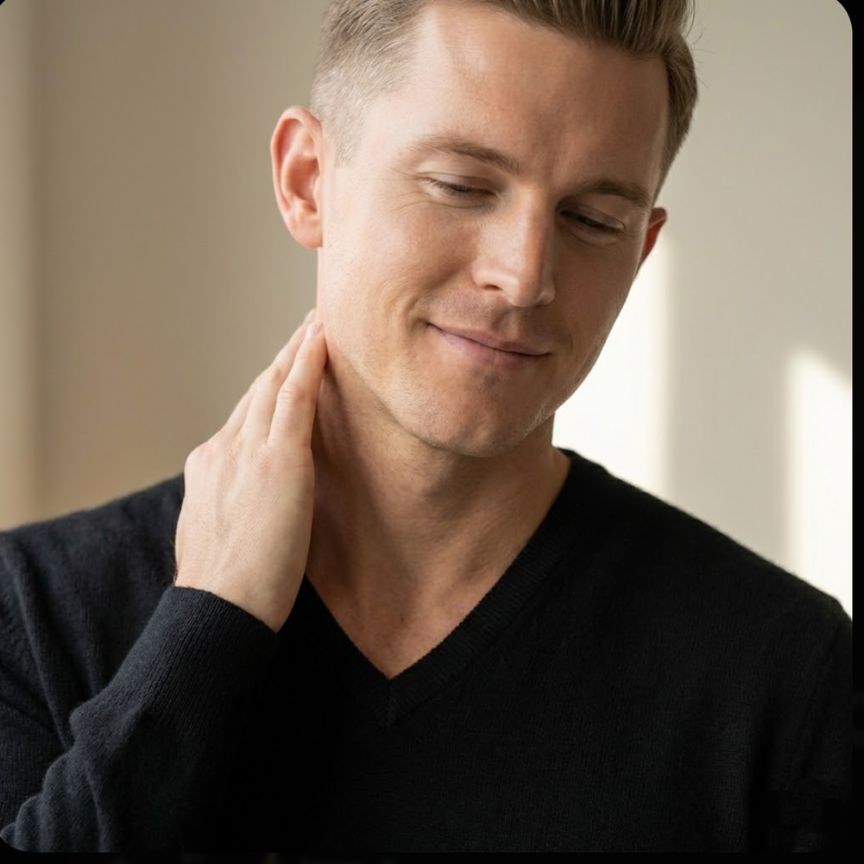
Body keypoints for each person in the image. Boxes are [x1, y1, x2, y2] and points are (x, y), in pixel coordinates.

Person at [0, 0, 851, 853]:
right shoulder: (34, 612)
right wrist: (209, 627)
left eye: (593, 220)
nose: (523, 277)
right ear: (307, 181)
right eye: (462, 186)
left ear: (641, 251)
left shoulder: (786, 678)